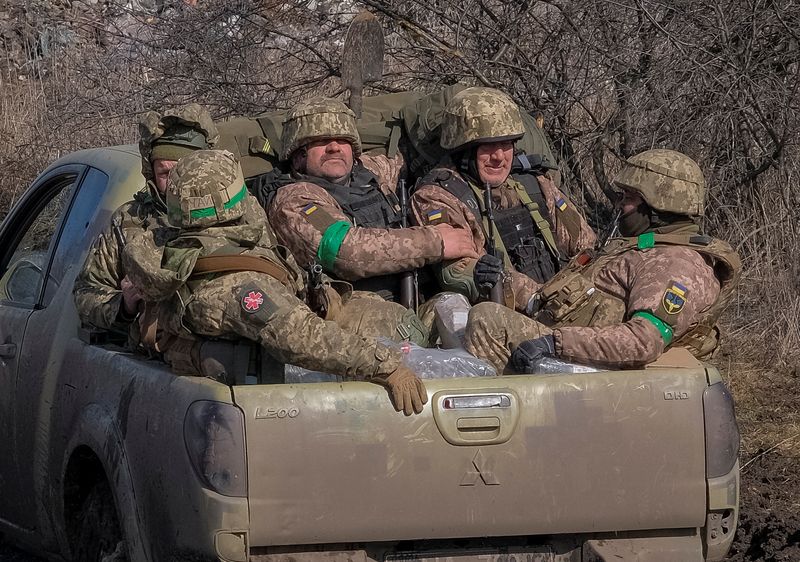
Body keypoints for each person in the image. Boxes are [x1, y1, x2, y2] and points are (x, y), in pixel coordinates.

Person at [120, 149, 427, 415]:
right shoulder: (239, 285)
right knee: (406, 329)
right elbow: (300, 336)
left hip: (268, 355)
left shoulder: (173, 248)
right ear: (234, 199)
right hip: (276, 388)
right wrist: (385, 366)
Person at [463, 149, 741, 373]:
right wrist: (504, 279)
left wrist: (556, 343)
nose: (620, 205)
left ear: (658, 204)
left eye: (629, 198)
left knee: (488, 320)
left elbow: (643, 341)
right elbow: (555, 301)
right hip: (568, 345)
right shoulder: (638, 249)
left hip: (589, 368)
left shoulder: (674, 264)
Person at [265, 97, 479, 344]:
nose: (335, 148)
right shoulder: (294, 199)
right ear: (298, 155)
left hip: (414, 297)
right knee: (405, 330)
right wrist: (436, 241)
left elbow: (417, 156)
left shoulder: (370, 171)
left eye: (343, 140)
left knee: (463, 318)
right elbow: (345, 250)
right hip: (353, 310)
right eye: (321, 142)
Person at [74, 104, 269, 346]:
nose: (176, 184)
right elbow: (86, 293)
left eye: (185, 171)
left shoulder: (244, 211)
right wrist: (124, 304)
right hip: (158, 357)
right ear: (151, 173)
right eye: (165, 174)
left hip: (237, 341)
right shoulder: (130, 220)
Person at [411, 87, 596, 313]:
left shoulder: (534, 183)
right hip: (504, 317)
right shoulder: (438, 196)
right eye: (488, 146)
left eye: (507, 144)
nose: (499, 157)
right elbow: (458, 271)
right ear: (463, 149)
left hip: (567, 301)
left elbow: (584, 244)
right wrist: (538, 299)